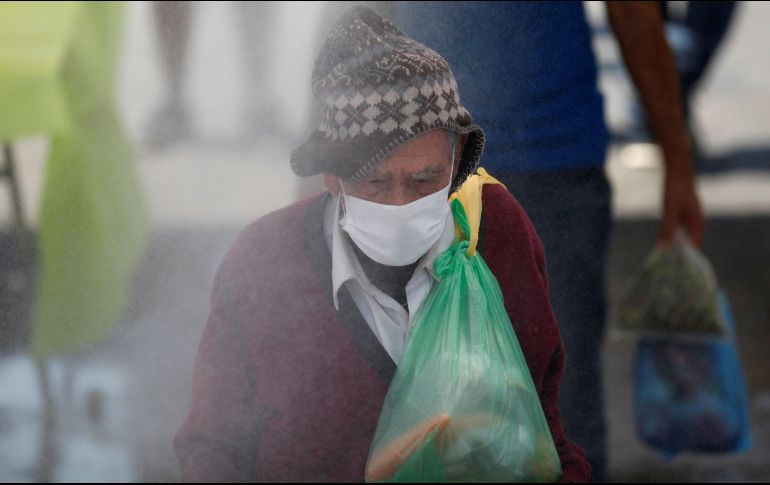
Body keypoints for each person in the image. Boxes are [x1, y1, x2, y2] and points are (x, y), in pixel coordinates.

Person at [174, 6, 592, 482]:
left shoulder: (494, 235)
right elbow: (212, 448)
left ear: (457, 166)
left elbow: (543, 430)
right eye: (374, 182)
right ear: (331, 178)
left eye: (424, 179)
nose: (399, 203)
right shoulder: (264, 263)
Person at [394, 2, 705, 481]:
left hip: (536, 162)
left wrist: (678, 161)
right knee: (546, 413)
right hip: (434, 168)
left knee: (438, 411)